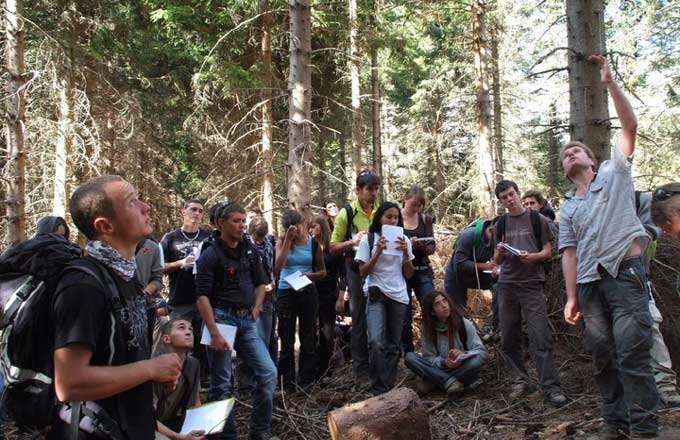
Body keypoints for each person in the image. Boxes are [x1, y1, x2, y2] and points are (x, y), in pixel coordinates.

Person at [560, 55, 659, 438]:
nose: (570, 154)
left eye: (576, 150)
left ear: (591, 158)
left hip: (625, 274)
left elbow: (630, 125)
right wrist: (571, 297)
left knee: (633, 355)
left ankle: (645, 431)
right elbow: (568, 252)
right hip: (589, 286)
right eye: (564, 153)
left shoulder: (614, 173)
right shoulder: (567, 208)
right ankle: (615, 427)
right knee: (604, 360)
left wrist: (609, 82)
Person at [49, 175, 182, 440]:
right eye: (133, 202)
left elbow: (124, 359)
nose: (146, 207)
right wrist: (151, 369)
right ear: (105, 225)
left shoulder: (127, 276)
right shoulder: (82, 286)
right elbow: (70, 383)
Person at [195, 200, 278, 440]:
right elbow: (202, 297)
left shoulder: (250, 250)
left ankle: (260, 431)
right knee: (221, 382)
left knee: (268, 372)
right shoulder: (210, 254)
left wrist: (256, 308)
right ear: (221, 224)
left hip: (246, 320)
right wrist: (214, 332)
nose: (242, 226)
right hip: (219, 319)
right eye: (236, 221)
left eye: (244, 221)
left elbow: (262, 282)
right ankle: (226, 435)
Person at [493, 179, 566, 407]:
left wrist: (532, 257)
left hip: (532, 283)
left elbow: (547, 251)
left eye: (512, 194)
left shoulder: (537, 219)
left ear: (518, 193)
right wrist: (499, 252)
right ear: (501, 201)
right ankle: (519, 379)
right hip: (506, 285)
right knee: (509, 336)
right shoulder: (500, 224)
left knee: (539, 336)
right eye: (504, 197)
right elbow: (496, 261)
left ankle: (551, 387)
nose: (510, 199)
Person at [355, 202, 414, 395]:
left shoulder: (404, 239)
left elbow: (408, 273)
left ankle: (387, 386)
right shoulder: (369, 240)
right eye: (388, 216)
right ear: (379, 218)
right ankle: (377, 386)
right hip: (376, 292)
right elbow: (362, 272)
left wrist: (405, 252)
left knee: (394, 344)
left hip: (398, 295)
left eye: (396, 217)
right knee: (376, 342)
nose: (392, 220)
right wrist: (378, 251)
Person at [330, 169, 381, 380]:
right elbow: (332, 246)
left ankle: (380, 362)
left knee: (378, 314)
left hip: (378, 269)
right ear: (358, 190)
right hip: (355, 269)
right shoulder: (346, 213)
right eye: (370, 189)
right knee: (359, 315)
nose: (373, 194)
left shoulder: (380, 210)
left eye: (377, 189)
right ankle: (361, 369)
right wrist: (353, 242)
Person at [637, 190, 680, 407]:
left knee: (651, 327)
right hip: (606, 283)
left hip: (638, 281)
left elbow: (651, 233)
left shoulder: (639, 201)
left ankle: (665, 385)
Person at [275, 210, 326, 389]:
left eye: (297, 225)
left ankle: (306, 381)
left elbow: (322, 272)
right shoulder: (282, 241)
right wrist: (288, 241)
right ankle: (286, 384)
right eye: (290, 227)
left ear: (303, 224)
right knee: (286, 338)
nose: (295, 230)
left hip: (307, 291)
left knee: (308, 337)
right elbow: (278, 266)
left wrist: (309, 275)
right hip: (286, 292)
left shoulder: (313, 244)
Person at [161, 200, 210, 372]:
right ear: (184, 212)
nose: (196, 213)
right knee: (179, 343)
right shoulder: (171, 238)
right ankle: (177, 379)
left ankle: (203, 379)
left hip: (204, 298)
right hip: (180, 299)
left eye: (200, 211)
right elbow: (160, 268)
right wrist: (180, 263)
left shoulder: (208, 238)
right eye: (193, 209)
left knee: (204, 342)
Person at [404, 292, 486, 396]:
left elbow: (481, 352)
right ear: (432, 312)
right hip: (440, 367)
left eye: (444, 301)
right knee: (409, 357)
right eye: (437, 304)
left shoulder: (463, 324)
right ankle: (449, 381)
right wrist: (444, 362)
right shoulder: (428, 330)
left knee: (476, 361)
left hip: (462, 366)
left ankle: (435, 382)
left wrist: (463, 354)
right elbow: (429, 358)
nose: (444, 305)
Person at [237, 215, 278, 396]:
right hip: (248, 298)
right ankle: (246, 384)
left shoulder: (269, 244)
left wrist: (272, 283)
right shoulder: (242, 246)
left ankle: (265, 381)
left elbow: (273, 268)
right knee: (248, 340)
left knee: (266, 339)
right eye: (257, 238)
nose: (259, 241)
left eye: (262, 238)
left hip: (268, 297)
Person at [154, 318, 205, 440]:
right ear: (166, 339)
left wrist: (202, 426)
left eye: (190, 329)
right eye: (181, 328)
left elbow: (195, 402)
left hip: (172, 423)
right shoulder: (154, 367)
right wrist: (179, 437)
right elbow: (144, 417)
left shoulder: (193, 365)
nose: (188, 332)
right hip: (147, 426)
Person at [443, 219, 498, 329]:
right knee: (457, 311)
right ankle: (462, 335)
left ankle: (498, 328)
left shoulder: (499, 239)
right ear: (491, 231)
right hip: (456, 275)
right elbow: (460, 263)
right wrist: (486, 266)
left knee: (500, 287)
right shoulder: (469, 235)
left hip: (479, 274)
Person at [400, 185, 435, 353]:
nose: (416, 208)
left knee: (431, 306)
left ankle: (432, 348)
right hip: (401, 271)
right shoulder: (395, 217)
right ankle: (408, 353)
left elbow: (432, 247)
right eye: (413, 203)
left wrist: (420, 246)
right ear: (405, 199)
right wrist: (406, 244)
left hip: (422, 268)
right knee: (403, 313)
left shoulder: (425, 219)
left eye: (419, 205)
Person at [309, 214, 344, 379]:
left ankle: (325, 368)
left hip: (329, 294)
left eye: (314, 226)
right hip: (310, 293)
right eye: (309, 227)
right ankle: (312, 366)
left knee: (327, 332)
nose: (311, 230)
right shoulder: (308, 247)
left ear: (322, 227)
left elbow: (343, 274)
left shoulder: (333, 249)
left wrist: (340, 296)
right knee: (309, 331)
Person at [135, 236, 166, 347]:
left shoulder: (152, 246)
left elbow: (157, 279)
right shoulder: (109, 241)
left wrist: (145, 293)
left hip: (145, 308)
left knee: (143, 349)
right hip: (115, 306)